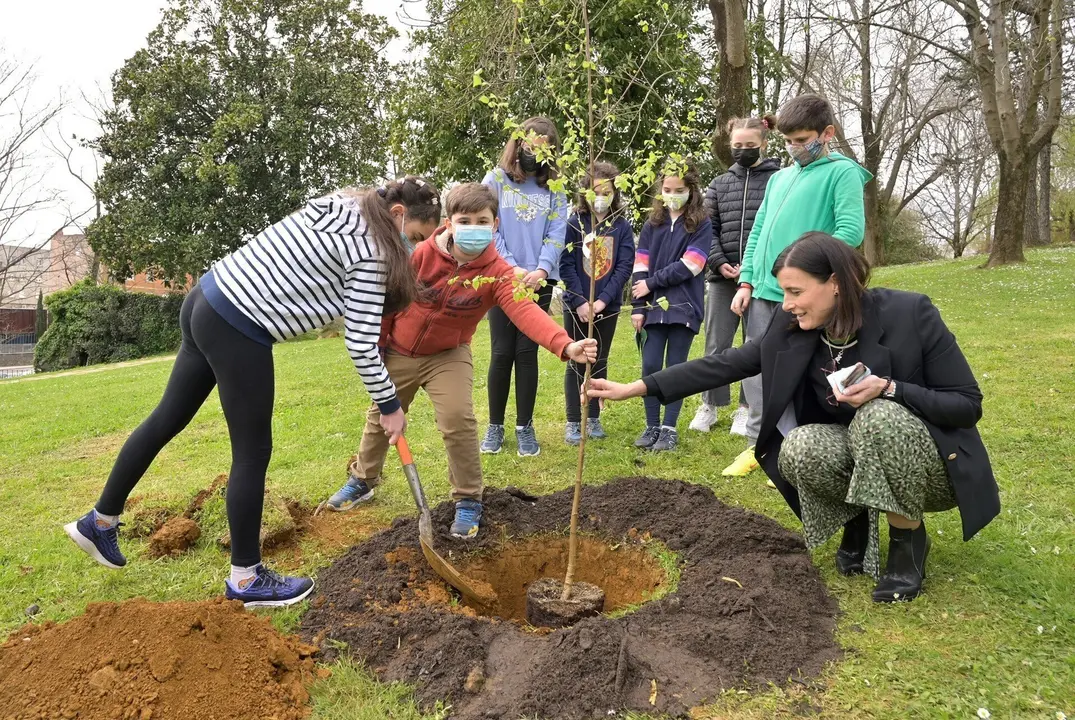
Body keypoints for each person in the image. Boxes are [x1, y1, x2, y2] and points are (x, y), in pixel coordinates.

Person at [64, 177, 443, 607]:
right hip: (239, 325)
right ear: (398, 215)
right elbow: (360, 342)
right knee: (252, 451)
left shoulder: (344, 205)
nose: (412, 248)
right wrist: (390, 405)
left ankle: (99, 521)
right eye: (415, 237)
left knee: (166, 418)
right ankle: (246, 579)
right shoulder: (373, 250)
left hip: (206, 298)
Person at [589, 232, 999, 603]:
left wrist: (890, 388)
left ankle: (908, 541)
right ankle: (856, 521)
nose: (786, 304)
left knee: (878, 417)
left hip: (931, 469)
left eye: (795, 291)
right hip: (857, 455)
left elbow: (967, 404)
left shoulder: (909, 313)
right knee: (800, 446)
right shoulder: (795, 328)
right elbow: (726, 364)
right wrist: (635, 388)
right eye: (784, 292)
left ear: (835, 283)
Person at [323, 184, 597, 538]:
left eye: (482, 221)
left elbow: (524, 311)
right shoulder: (420, 255)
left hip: (448, 356)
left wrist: (566, 345)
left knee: (458, 419)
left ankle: (468, 499)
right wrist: (378, 346)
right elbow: (390, 302)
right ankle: (363, 479)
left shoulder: (497, 272)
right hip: (400, 351)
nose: (473, 227)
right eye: (464, 220)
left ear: (495, 224)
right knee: (380, 416)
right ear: (449, 223)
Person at [722, 94, 872, 479]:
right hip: (763, 293)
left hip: (806, 297)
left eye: (802, 140)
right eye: (788, 141)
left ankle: (798, 449)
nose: (794, 148)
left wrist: (810, 274)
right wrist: (747, 280)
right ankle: (760, 444)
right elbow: (759, 231)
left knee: (802, 373)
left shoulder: (843, 172)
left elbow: (850, 232)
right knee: (759, 370)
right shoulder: (780, 178)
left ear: (827, 133)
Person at [480, 116, 568, 457]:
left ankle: (525, 427)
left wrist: (542, 269)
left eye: (543, 150)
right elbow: (489, 228)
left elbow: (557, 232)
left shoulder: (554, 188)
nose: (534, 155)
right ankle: (495, 426)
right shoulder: (496, 180)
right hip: (502, 277)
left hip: (539, 280)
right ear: (518, 145)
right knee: (502, 352)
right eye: (530, 147)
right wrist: (511, 268)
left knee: (527, 352)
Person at [690, 115, 782, 437]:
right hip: (721, 277)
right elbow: (707, 229)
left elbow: (775, 228)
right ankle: (710, 404)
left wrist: (752, 267)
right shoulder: (718, 184)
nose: (743, 150)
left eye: (750, 145)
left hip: (759, 277)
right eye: (737, 145)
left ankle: (746, 408)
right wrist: (718, 263)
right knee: (716, 343)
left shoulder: (778, 181)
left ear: (763, 144)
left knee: (753, 344)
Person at [631, 157, 713, 452]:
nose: (672, 195)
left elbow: (691, 265)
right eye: (667, 189)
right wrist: (638, 306)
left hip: (684, 308)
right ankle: (652, 425)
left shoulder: (702, 224)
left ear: (691, 190)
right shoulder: (651, 225)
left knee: (675, 368)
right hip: (653, 310)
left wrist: (652, 284)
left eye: (679, 190)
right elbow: (640, 268)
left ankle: (669, 429)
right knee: (651, 365)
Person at [558, 161, 635, 445]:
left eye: (606, 192)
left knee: (598, 360)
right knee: (576, 362)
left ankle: (592, 418)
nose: (600, 198)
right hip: (576, 306)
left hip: (607, 306)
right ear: (584, 193)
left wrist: (602, 301)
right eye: (595, 192)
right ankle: (573, 421)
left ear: (615, 193)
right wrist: (581, 301)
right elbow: (566, 264)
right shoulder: (574, 223)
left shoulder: (621, 227)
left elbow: (624, 267)